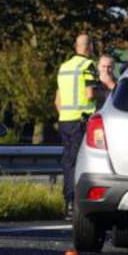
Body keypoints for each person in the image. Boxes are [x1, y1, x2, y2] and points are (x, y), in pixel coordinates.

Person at [55, 33, 97, 219]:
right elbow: (90, 94)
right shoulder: (88, 65)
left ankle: (68, 203)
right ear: (89, 47)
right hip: (81, 120)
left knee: (68, 162)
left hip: (65, 119)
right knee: (78, 163)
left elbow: (57, 100)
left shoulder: (64, 67)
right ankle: (74, 203)